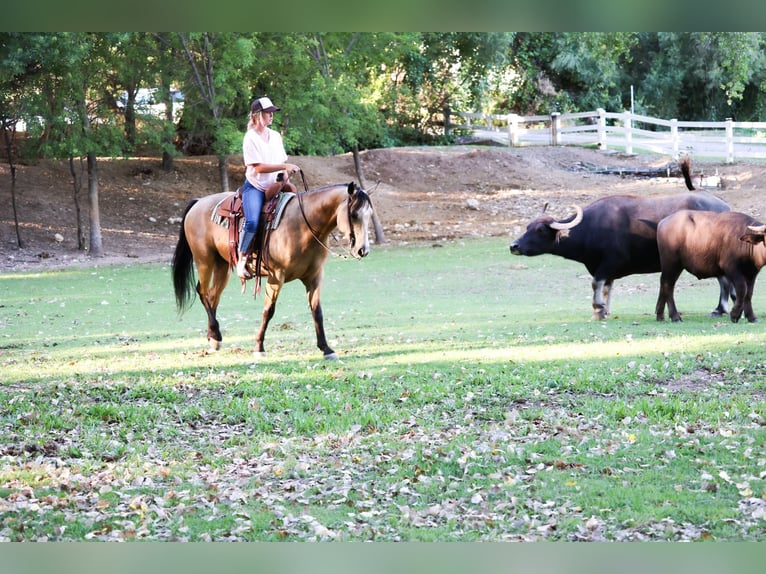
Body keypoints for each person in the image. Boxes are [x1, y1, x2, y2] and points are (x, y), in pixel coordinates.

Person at [237, 96, 300, 279]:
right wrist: (284, 167)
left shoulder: (275, 136)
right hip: (255, 187)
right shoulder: (250, 138)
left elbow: (281, 161)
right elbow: (258, 167)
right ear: (257, 115)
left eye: (272, 113)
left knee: (298, 208)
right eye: (268, 113)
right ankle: (242, 260)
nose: (271, 116)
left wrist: (285, 176)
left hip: (276, 184)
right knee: (252, 221)